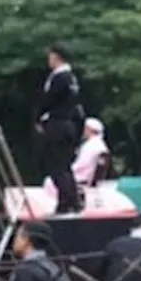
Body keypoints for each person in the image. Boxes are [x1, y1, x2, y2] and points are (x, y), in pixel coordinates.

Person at [37, 44, 84, 215]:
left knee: (57, 165)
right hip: (69, 124)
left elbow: (48, 100)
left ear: (56, 57)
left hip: (57, 123)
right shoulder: (72, 78)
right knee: (64, 166)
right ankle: (70, 201)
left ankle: (67, 202)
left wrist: (38, 117)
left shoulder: (59, 77)